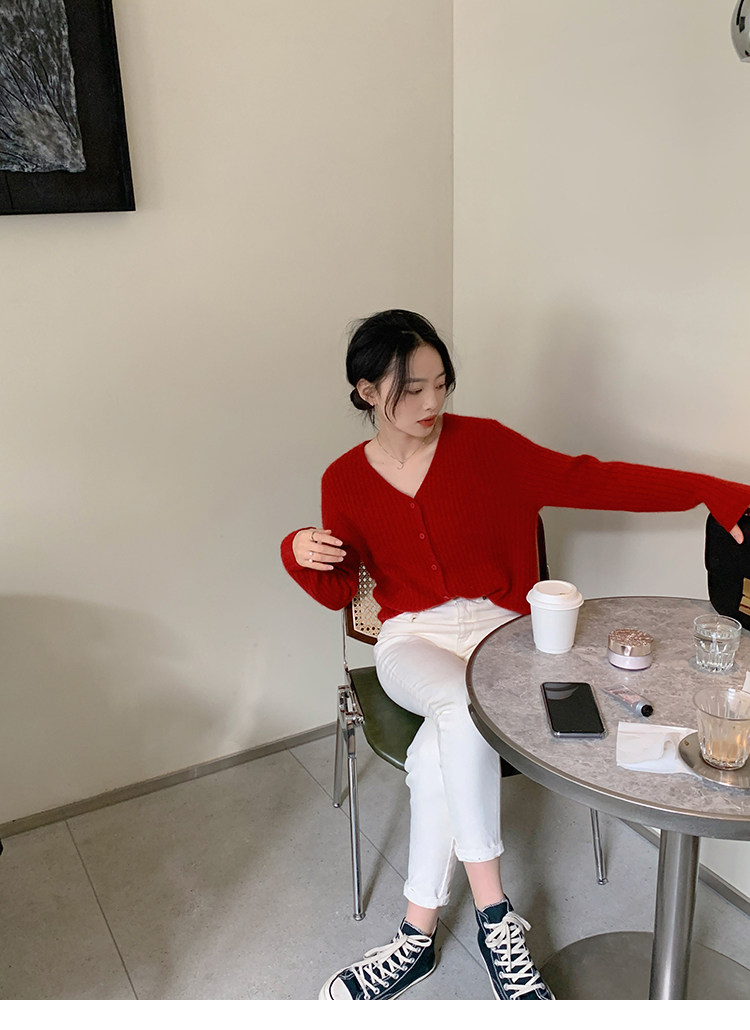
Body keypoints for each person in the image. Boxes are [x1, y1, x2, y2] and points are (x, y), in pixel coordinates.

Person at [280, 309, 748, 1002]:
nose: (433, 402)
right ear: (367, 391)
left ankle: (414, 938)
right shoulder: (343, 479)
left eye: (441, 383)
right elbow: (340, 589)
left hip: (503, 633)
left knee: (436, 752)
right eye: (412, 389)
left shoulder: (488, 446)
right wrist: (297, 552)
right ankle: (497, 917)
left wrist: (711, 490)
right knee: (460, 706)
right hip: (412, 639)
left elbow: (592, 480)